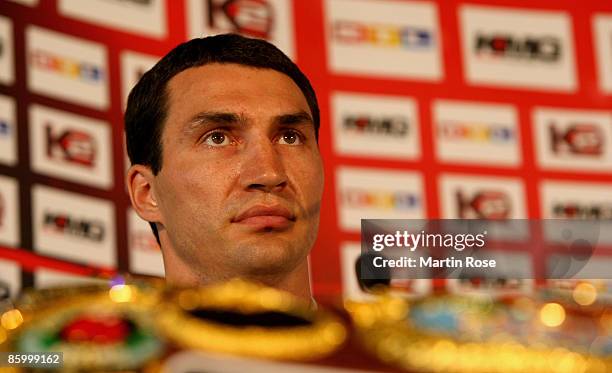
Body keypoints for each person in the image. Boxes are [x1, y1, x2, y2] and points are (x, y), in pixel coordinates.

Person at [124, 34, 324, 301]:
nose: (269, 174)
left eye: (290, 137)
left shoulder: (384, 340)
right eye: (217, 138)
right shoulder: (72, 341)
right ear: (147, 193)